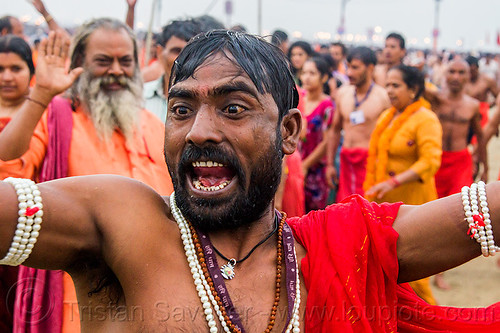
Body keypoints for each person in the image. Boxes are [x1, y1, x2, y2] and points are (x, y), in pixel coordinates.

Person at [1, 30, 500, 332]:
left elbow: (482, 213)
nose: (198, 131)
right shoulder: (117, 221)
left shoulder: (339, 249)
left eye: (233, 108)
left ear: (288, 131)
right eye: (180, 109)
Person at [0, 19, 173, 332]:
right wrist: (41, 94)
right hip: (74, 296)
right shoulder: (55, 117)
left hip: (154, 294)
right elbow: (7, 159)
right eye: (104, 61)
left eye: (125, 61)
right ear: (79, 64)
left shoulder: (153, 124)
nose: (116, 71)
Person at [364, 65, 443, 305]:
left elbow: (430, 162)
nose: (389, 90)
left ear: (414, 89)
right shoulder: (387, 116)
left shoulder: (426, 119)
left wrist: (394, 181)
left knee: (415, 276)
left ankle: (432, 322)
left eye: (395, 85)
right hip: (384, 203)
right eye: (387, 84)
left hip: (414, 203)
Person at [0, 35, 36, 332]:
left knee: (21, 311)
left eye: (16, 68)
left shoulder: (47, 113)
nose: (7, 77)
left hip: (26, 230)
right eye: (0, 69)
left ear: (31, 73)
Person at [325, 47, 390, 201]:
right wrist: (329, 164)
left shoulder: (383, 97)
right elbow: (334, 130)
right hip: (346, 161)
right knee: (345, 210)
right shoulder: (343, 93)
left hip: (371, 164)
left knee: (368, 212)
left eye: (355, 67)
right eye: (348, 67)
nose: (349, 73)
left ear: (370, 68)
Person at [143, 19, 201, 122]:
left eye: (189, 53)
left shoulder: (205, 103)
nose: (182, 59)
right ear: (160, 52)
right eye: (176, 51)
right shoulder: (141, 98)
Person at [297, 56, 334, 211]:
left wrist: (305, 165)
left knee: (312, 214)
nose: (306, 77)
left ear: (324, 77)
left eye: (312, 73)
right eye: (304, 73)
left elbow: (327, 142)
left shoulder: (327, 105)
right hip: (295, 164)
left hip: (315, 169)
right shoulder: (298, 98)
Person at [465, 55, 498, 128]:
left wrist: (489, 106)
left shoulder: (487, 80)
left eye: (473, 71)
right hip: (465, 116)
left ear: (477, 68)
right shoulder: (462, 81)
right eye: (469, 71)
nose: (471, 74)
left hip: (481, 116)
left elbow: (498, 96)